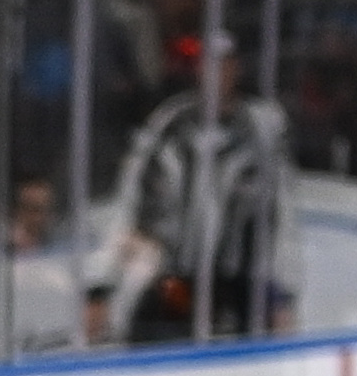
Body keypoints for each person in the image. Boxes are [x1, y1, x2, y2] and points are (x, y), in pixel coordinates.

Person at [89, 33, 291, 343]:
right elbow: (130, 204)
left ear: (236, 68)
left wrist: (283, 295)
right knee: (155, 335)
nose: (216, 74)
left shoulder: (261, 127)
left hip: (238, 282)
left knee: (237, 349)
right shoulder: (170, 124)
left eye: (224, 64)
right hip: (177, 279)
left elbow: (282, 215)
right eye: (208, 64)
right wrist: (101, 285)